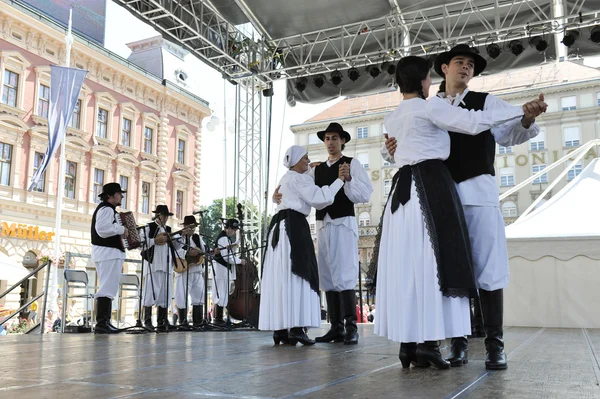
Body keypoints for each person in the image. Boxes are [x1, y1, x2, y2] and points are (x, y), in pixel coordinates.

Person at [375, 56, 544, 369]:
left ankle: (494, 346)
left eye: (471, 64)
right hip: (437, 198)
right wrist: (389, 149)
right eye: (459, 61)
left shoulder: (486, 102)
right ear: (440, 70)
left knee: (486, 268)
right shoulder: (431, 105)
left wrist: (525, 117)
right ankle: (457, 343)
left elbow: (508, 134)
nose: (466, 67)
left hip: (473, 193)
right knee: (441, 269)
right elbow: (394, 147)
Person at [259, 145, 347, 346]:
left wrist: (311, 169)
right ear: (296, 161)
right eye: (305, 158)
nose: (308, 161)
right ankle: (297, 328)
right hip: (294, 226)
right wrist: (339, 181)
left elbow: (301, 178)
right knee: (298, 273)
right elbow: (320, 199)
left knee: (280, 277)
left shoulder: (286, 178)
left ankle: (281, 329)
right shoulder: (298, 179)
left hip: (278, 228)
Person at [91, 182, 128, 334]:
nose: (122, 196)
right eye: (119, 193)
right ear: (111, 195)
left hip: (108, 253)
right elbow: (102, 229)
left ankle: (105, 321)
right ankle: (102, 323)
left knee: (109, 286)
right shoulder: (106, 209)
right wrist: (122, 229)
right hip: (108, 253)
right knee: (107, 287)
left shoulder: (108, 210)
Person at [142, 205, 181, 332]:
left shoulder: (169, 229)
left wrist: (181, 237)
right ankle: (147, 320)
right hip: (153, 265)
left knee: (165, 294)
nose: (165, 219)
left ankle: (162, 321)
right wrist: (155, 240)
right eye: (164, 216)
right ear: (158, 215)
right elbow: (141, 244)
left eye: (167, 216)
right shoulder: (149, 227)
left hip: (166, 266)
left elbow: (176, 246)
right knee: (150, 292)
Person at [174, 215, 206, 328]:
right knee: (181, 295)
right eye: (191, 227)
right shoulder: (179, 237)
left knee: (199, 295)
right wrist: (187, 253)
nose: (193, 229)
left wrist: (202, 253)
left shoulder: (197, 238)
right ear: (186, 226)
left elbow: (204, 251)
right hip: (183, 270)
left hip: (196, 270)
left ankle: (198, 321)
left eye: (194, 227)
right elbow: (175, 251)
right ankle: (182, 321)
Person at [212, 219, 245, 323]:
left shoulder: (226, 239)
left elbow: (229, 253)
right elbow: (227, 257)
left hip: (223, 269)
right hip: (222, 269)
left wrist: (235, 245)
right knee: (221, 293)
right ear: (229, 228)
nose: (234, 232)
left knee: (223, 292)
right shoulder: (223, 239)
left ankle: (220, 318)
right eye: (234, 230)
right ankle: (218, 319)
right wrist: (240, 261)